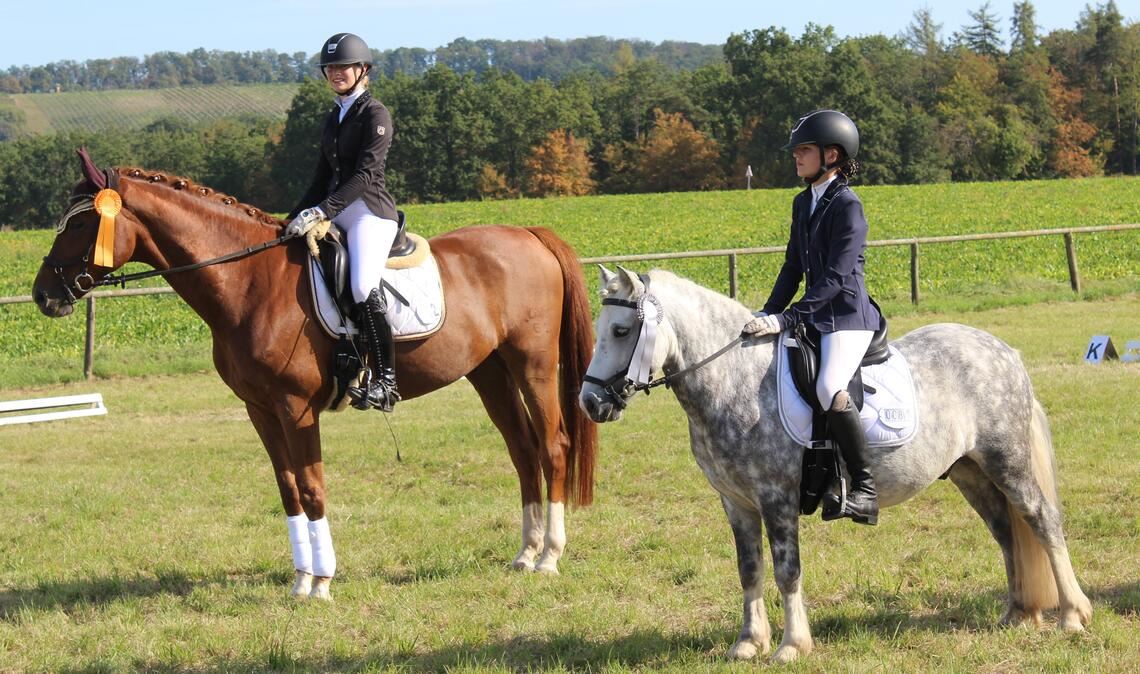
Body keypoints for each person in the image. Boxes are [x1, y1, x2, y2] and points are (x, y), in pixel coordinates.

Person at [741, 109, 885, 525]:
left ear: (832, 155)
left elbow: (838, 277)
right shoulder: (803, 201)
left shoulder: (848, 206)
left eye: (804, 150)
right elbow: (792, 267)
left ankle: (865, 489)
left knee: (827, 386)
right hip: (817, 315)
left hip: (848, 317)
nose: (796, 157)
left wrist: (790, 319)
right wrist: (767, 312)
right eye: (797, 151)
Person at [285, 32, 400, 413]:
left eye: (343, 66)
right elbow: (321, 177)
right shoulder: (334, 116)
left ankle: (386, 380)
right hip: (336, 209)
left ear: (362, 70)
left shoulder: (375, 114)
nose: (336, 73)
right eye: (330, 67)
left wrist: (322, 211)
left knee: (363, 284)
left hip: (369, 212)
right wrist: (292, 216)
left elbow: (366, 175)